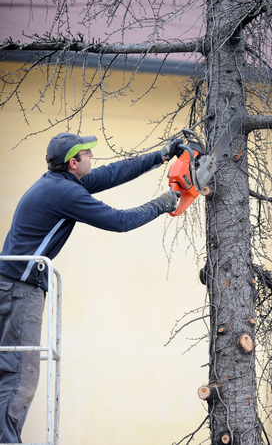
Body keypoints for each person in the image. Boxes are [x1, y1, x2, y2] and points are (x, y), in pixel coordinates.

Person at [0, 132, 182, 443]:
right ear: (73, 163)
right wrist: (163, 203)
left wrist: (161, 155)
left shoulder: (60, 183)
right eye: (87, 153)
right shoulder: (65, 194)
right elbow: (119, 221)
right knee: (21, 375)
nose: (92, 158)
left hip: (11, 285)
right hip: (20, 290)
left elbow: (113, 173)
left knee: (11, 368)